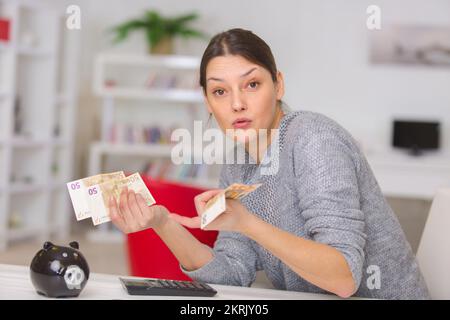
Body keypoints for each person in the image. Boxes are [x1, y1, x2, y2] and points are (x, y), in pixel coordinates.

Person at [108, 28, 430, 299]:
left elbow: (344, 278)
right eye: (220, 91)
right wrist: (163, 224)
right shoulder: (238, 161)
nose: (237, 104)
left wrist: (246, 222)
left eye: (252, 84)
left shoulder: (313, 140)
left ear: (278, 85)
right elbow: (232, 273)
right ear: (207, 101)